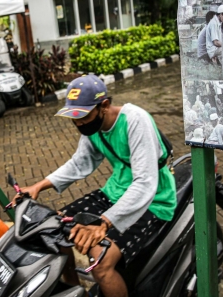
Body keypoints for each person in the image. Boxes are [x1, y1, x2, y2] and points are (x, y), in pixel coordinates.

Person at [12, 75, 177, 297]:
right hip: (115, 191)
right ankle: (74, 289)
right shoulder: (93, 127)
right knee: (55, 230)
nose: (78, 123)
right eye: (74, 118)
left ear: (104, 106)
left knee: (100, 263)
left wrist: (104, 223)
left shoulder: (135, 120)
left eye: (83, 117)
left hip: (153, 199)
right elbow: (80, 163)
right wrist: (39, 186)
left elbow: (145, 182)